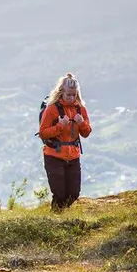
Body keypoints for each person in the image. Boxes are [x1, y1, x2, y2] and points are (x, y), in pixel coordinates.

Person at [38, 73, 92, 211]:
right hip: (53, 156)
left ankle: (58, 214)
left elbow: (86, 133)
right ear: (61, 92)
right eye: (68, 95)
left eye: (74, 95)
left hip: (73, 156)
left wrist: (81, 123)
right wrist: (60, 126)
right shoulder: (52, 109)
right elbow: (43, 133)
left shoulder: (81, 109)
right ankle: (56, 216)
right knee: (59, 193)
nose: (71, 98)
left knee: (74, 193)